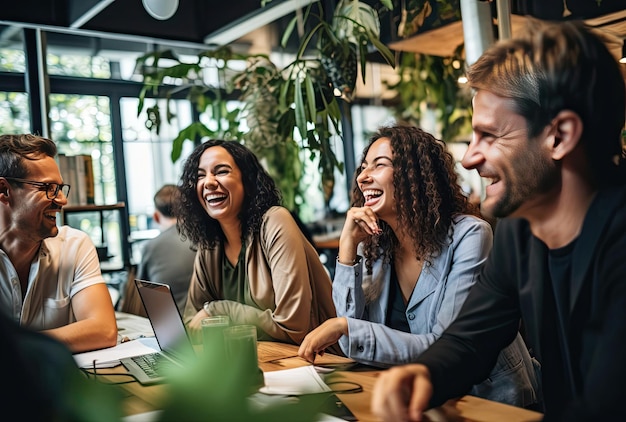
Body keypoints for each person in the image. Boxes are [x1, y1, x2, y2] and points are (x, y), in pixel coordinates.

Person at [371, 18, 626, 422]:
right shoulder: (521, 227)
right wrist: (424, 374)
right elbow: (473, 335)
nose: (470, 158)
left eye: (490, 136)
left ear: (558, 136)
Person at [298, 125, 540, 407]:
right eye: (364, 168)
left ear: (414, 175)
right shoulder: (375, 246)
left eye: (379, 165)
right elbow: (353, 342)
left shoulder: (470, 236)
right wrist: (347, 249)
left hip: (487, 403)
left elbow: (445, 346)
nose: (363, 177)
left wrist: (345, 328)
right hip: (415, 402)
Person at [178, 139, 337, 347]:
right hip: (254, 361)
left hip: (316, 364)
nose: (208, 182)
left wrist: (218, 311)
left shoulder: (275, 221)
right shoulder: (211, 244)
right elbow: (192, 322)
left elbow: (294, 328)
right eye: (200, 175)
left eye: (221, 171)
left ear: (247, 180)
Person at [0, 134, 117, 353]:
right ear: (5, 191)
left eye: (61, 188)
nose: (62, 200)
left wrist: (13, 348)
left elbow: (103, 330)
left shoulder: (74, 245)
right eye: (48, 188)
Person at [136, 184, 196, 314]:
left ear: (156, 217)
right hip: (207, 323)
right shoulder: (204, 239)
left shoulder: (150, 248)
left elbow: (142, 294)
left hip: (169, 327)